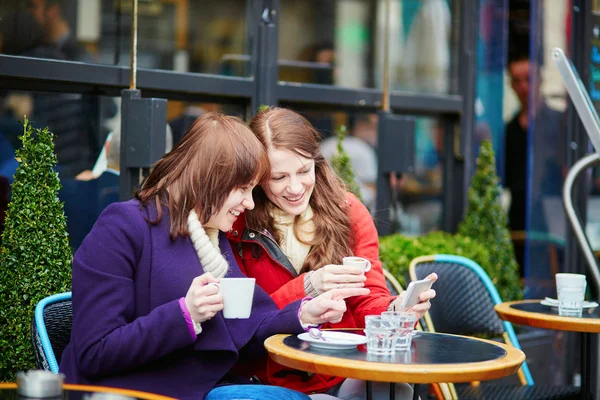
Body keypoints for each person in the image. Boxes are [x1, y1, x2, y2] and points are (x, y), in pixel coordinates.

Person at [59, 112, 369, 400]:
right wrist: (185, 315)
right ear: (211, 181)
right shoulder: (124, 226)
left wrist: (303, 314)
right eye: (244, 189)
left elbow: (247, 330)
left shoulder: (212, 236)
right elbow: (94, 352)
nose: (249, 204)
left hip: (205, 388)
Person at [227, 107, 437, 400]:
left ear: (317, 162)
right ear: (257, 176)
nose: (295, 187)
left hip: (341, 370)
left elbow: (368, 297)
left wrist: (396, 310)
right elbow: (241, 324)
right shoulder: (236, 221)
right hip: (270, 378)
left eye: (304, 171)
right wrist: (308, 286)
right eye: (278, 177)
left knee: (395, 389)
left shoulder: (348, 211)